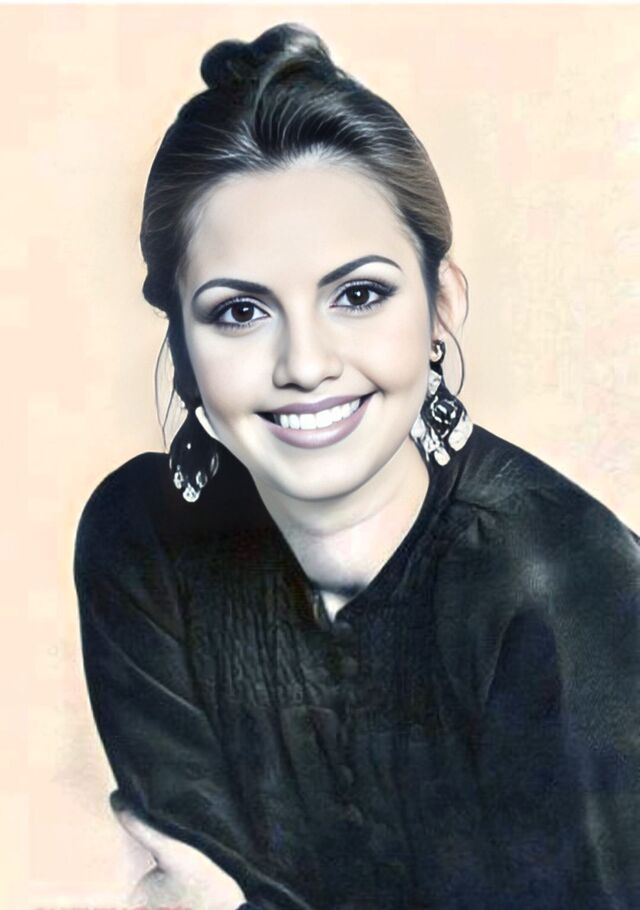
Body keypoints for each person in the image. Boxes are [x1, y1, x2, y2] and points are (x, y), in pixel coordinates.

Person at [73, 22, 640, 910]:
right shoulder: (143, 543)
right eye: (239, 312)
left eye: (359, 294)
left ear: (440, 304)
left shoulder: (559, 583)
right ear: (179, 341)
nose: (306, 364)